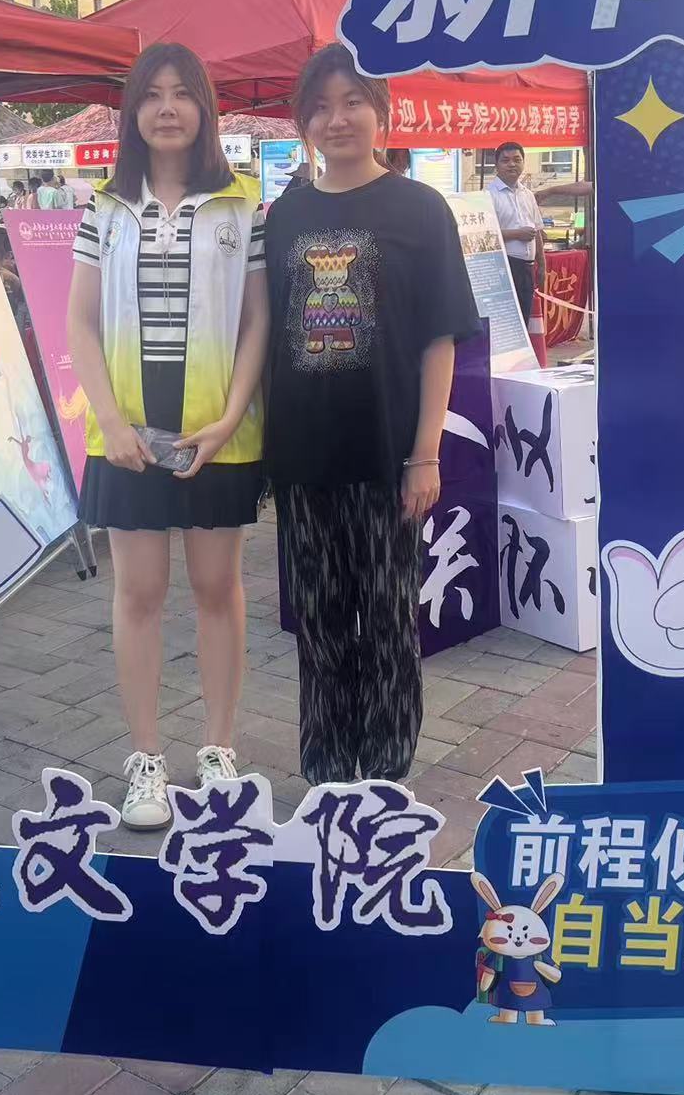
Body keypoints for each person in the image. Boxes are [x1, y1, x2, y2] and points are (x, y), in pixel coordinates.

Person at [264, 44, 480, 786]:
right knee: (319, 621)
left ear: (381, 112)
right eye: (320, 107)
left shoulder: (421, 208)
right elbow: (266, 331)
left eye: (353, 101)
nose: (337, 119)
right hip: (304, 455)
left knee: (387, 619)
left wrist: (426, 453)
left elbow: (439, 339)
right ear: (304, 123)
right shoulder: (286, 215)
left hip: (387, 455)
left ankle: (385, 775)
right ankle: (328, 772)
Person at [66, 43, 269, 829]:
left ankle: (219, 747)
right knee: (139, 593)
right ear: (132, 113)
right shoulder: (105, 206)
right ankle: (145, 759)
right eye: (151, 95)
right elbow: (81, 322)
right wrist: (112, 421)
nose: (167, 108)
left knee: (218, 589)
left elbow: (255, 323)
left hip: (218, 433)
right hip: (126, 439)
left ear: (205, 108)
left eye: (183, 93)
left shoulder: (241, 205)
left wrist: (232, 415)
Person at [487, 141, 547, 319]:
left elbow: (537, 231)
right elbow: (486, 236)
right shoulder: (488, 195)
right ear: (496, 165)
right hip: (502, 267)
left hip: (527, 268)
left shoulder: (528, 194)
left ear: (523, 162)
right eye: (505, 160)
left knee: (524, 317)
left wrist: (542, 265)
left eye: (517, 159)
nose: (512, 164)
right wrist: (517, 234)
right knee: (505, 321)